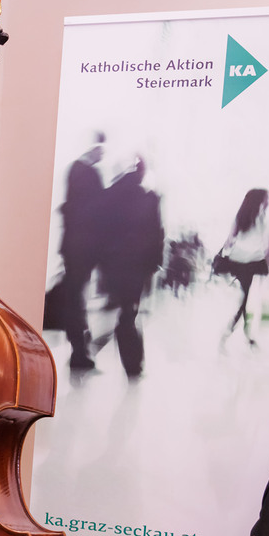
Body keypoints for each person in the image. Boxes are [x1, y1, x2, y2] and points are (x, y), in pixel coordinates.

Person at [95, 158, 165, 379]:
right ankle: (133, 364)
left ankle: (132, 360)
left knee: (126, 311)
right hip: (137, 265)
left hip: (113, 264)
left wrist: (101, 263)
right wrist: (154, 264)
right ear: (141, 173)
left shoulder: (108, 196)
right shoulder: (149, 198)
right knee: (128, 312)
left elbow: (99, 231)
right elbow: (156, 234)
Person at [49, 134, 107, 370]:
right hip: (83, 249)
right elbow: (97, 213)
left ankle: (79, 350)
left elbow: (70, 209)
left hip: (72, 248)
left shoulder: (73, 170)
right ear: (94, 149)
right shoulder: (89, 174)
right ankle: (79, 353)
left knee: (75, 298)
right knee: (76, 300)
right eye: (101, 151)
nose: (102, 156)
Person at [216, 188, 269, 348]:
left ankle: (246, 336)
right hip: (255, 262)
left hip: (237, 261)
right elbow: (268, 247)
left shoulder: (240, 217)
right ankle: (231, 333)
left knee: (246, 299)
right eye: (267, 199)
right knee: (246, 300)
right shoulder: (265, 221)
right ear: (261, 201)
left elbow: (229, 241)